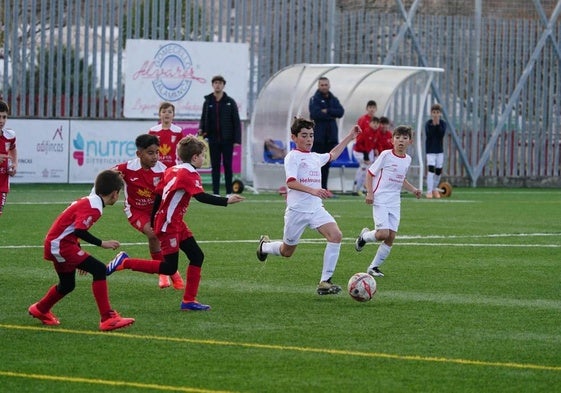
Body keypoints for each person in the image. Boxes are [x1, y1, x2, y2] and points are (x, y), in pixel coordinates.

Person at [106, 135, 245, 311]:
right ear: (194, 157)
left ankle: (188, 301)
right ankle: (125, 262)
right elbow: (200, 197)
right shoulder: (189, 174)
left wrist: (154, 217)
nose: (203, 159)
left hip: (175, 222)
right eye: (203, 156)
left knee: (197, 256)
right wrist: (227, 200)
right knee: (169, 266)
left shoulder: (173, 170)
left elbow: (157, 194)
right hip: (169, 225)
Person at [256, 117, 361, 295]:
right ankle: (264, 247)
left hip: (316, 209)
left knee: (336, 235)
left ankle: (325, 282)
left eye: (311, 135)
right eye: (304, 135)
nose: (309, 139)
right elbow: (291, 182)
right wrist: (313, 190)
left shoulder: (314, 157)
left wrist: (350, 137)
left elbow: (332, 155)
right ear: (294, 138)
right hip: (297, 211)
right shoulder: (292, 157)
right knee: (287, 251)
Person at [28, 170, 135, 331]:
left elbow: (72, 229)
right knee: (99, 269)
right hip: (61, 245)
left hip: (58, 243)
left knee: (67, 284)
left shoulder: (93, 199)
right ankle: (108, 318)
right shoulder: (95, 208)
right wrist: (102, 243)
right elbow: (79, 230)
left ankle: (41, 309)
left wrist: (78, 253)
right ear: (114, 194)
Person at [111, 134, 184, 290]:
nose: (155, 157)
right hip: (136, 210)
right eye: (150, 153)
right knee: (153, 233)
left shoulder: (163, 170)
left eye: (157, 152)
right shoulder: (127, 168)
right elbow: (106, 178)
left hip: (156, 210)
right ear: (139, 154)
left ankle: (165, 270)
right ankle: (166, 273)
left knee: (161, 235)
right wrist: (94, 195)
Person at [354, 125, 422, 277]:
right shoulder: (386, 155)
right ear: (392, 140)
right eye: (397, 138)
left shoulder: (407, 159)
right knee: (382, 234)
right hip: (380, 198)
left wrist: (414, 190)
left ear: (410, 142)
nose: (401, 141)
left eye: (404, 138)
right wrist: (370, 193)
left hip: (395, 201)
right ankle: (364, 237)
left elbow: (401, 178)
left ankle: (373, 267)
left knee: (391, 237)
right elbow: (370, 174)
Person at [148, 101, 186, 288]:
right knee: (157, 222)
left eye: (170, 112)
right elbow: (149, 153)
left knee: (170, 218)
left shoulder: (178, 131)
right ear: (160, 114)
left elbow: (180, 154)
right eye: (164, 111)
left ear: (173, 114)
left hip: (172, 178)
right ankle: (164, 274)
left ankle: (168, 272)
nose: (167, 114)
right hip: (158, 177)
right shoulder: (153, 131)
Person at [198, 75, 242, 196]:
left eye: (220, 83)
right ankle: (216, 192)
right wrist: (202, 129)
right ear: (212, 85)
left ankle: (228, 192)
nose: (217, 85)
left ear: (223, 85)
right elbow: (203, 118)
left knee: (228, 166)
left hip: (227, 140)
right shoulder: (208, 101)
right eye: (215, 83)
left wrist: (237, 139)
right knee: (215, 166)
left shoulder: (230, 102)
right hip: (213, 139)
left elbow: (236, 121)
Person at [308, 76, 345, 191]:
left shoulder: (333, 99)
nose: (324, 87)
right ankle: (314, 188)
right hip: (318, 138)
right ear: (319, 86)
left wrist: (327, 110)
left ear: (329, 86)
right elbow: (315, 114)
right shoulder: (314, 99)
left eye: (326, 85)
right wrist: (331, 114)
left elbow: (340, 112)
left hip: (330, 138)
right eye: (322, 85)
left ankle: (324, 188)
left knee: (326, 164)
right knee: (316, 165)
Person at [352, 100, 379, 196]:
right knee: (364, 167)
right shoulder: (363, 120)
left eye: (373, 108)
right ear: (367, 108)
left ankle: (363, 187)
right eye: (370, 107)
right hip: (361, 150)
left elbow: (374, 140)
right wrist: (365, 155)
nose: (372, 109)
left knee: (369, 168)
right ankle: (357, 188)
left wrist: (375, 149)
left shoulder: (376, 124)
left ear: (376, 109)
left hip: (368, 150)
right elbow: (360, 139)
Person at [425, 103, 447, 199]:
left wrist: (437, 125)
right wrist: (434, 125)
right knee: (431, 170)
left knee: (438, 171)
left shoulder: (443, 124)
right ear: (431, 113)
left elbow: (441, 134)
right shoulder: (428, 124)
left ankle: (434, 188)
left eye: (437, 112)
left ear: (440, 113)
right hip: (430, 150)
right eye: (434, 112)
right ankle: (429, 191)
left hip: (439, 150)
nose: (435, 114)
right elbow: (429, 135)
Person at [0, 100, 17, 216]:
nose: (1, 121)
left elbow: (13, 149)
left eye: (4, 117)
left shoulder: (9, 135)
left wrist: (14, 164)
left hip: (2, 184)